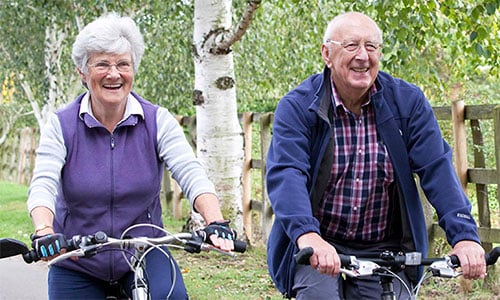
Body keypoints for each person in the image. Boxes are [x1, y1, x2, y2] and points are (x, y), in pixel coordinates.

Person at [266, 11, 486, 299]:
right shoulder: (298, 107)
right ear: (327, 54)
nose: (363, 56)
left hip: (385, 249)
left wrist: (465, 236)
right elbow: (288, 173)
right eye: (351, 46)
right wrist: (308, 235)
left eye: (371, 47)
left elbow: (437, 169)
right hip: (319, 242)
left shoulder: (407, 103)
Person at [27, 12, 237, 300]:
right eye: (102, 64)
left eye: (123, 64)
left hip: (144, 251)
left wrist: (215, 222)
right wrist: (43, 230)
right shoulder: (62, 125)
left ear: (133, 70)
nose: (114, 74)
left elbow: (191, 173)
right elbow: (44, 183)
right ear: (83, 73)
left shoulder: (157, 120)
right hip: (78, 258)